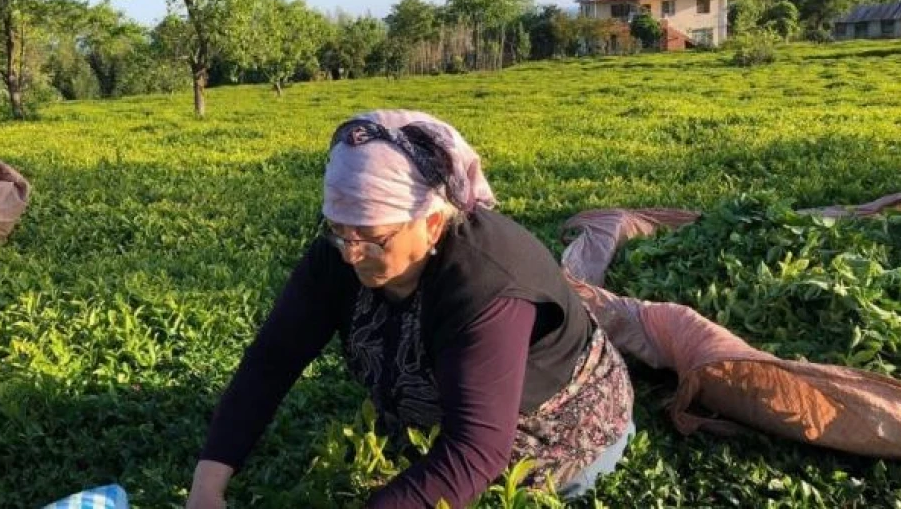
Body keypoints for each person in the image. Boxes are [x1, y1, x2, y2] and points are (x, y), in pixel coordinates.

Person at [186, 109, 635, 508]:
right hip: (440, 424)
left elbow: (476, 449)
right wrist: (206, 486)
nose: (350, 253)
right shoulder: (342, 249)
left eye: (372, 239)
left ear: (433, 223)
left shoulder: (486, 282)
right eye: (339, 231)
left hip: (546, 433)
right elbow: (272, 360)